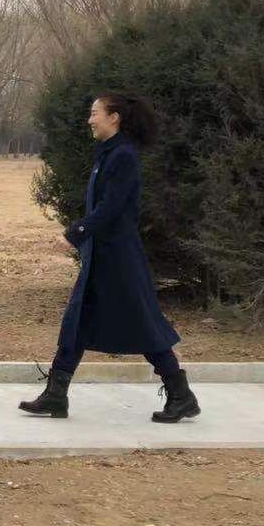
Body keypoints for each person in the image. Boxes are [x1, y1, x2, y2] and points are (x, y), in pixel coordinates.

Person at [21, 93, 199, 423]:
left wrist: (78, 229)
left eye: (94, 113)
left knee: (142, 323)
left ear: (113, 117)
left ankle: (181, 394)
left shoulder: (123, 157)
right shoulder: (109, 154)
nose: (90, 120)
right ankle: (56, 395)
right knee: (78, 319)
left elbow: (113, 207)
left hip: (119, 257)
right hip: (103, 253)